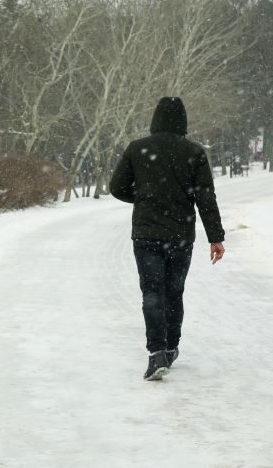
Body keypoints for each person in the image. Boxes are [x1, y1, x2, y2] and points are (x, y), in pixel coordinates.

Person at [109, 97, 225, 381]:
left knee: (152, 292)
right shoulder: (194, 152)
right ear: (183, 120)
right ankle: (171, 347)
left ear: (155, 118)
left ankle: (156, 353)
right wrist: (216, 237)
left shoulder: (138, 149)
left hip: (147, 234)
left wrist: (142, 197)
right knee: (174, 292)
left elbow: (116, 187)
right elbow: (205, 198)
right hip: (180, 235)